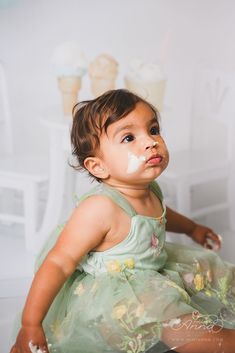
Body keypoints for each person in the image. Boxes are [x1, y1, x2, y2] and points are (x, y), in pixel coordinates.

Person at [10, 89, 235, 353]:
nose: (151, 142)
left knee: (215, 275)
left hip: (153, 272)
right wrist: (31, 324)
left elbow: (161, 215)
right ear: (98, 167)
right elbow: (59, 263)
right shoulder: (99, 208)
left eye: (153, 129)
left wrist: (192, 228)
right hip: (118, 296)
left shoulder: (149, 189)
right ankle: (209, 342)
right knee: (178, 323)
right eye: (129, 137)